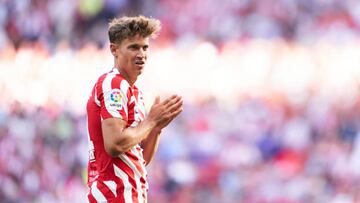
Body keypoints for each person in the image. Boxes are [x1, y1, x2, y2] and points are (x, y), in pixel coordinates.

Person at [86, 16, 183, 203]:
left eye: (145, 47)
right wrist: (151, 121)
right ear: (114, 49)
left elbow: (139, 158)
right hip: (114, 195)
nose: (141, 54)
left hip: (129, 195)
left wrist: (155, 129)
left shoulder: (134, 92)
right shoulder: (113, 84)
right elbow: (114, 145)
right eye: (133, 47)